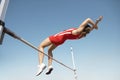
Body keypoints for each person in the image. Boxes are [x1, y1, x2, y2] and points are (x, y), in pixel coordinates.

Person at [36, 16, 103, 76]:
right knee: (49, 50)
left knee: (41, 46)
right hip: (61, 41)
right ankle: (50, 66)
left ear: (83, 28)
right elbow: (93, 28)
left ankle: (41, 64)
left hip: (58, 37)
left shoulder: (78, 31)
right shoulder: (81, 35)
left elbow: (88, 19)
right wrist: (97, 22)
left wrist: (95, 24)